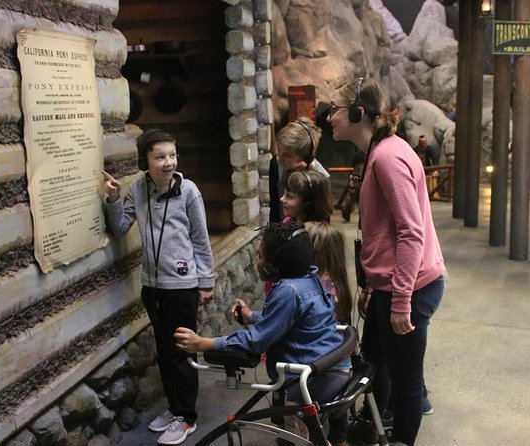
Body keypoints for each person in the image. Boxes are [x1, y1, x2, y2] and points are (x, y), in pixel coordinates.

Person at [327, 77, 446, 446]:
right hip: (390, 285)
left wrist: (399, 300)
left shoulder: (388, 157)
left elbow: (411, 233)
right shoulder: (381, 151)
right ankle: (374, 429)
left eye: (335, 108)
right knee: (374, 366)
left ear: (358, 112)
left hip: (410, 288)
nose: (329, 116)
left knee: (407, 382)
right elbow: (382, 233)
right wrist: (372, 287)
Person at [174, 222, 351, 446]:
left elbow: (256, 341)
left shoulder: (287, 291)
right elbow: (291, 320)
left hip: (313, 380)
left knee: (293, 440)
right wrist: (252, 318)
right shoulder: (310, 278)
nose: (257, 260)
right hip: (337, 369)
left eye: (259, 256)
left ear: (271, 268)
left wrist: (205, 343)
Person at [102, 128, 214, 446]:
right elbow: (121, 226)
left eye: (172, 155)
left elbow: (200, 238)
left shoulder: (189, 191)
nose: (168, 162)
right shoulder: (137, 190)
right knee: (164, 351)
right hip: (153, 286)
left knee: (181, 351)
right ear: (144, 160)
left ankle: (187, 417)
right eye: (160, 156)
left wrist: (206, 281)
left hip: (182, 285)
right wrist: (112, 198)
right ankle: (174, 409)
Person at [269, 117, 330, 222]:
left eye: (288, 155)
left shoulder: (319, 176)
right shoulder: (276, 163)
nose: (280, 157)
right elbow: (274, 206)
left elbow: (323, 218)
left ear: (305, 157)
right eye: (279, 149)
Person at [341, 150, 366, 222]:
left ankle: (347, 210)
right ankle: (347, 210)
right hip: (358, 179)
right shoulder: (360, 159)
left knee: (355, 196)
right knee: (355, 195)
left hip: (358, 178)